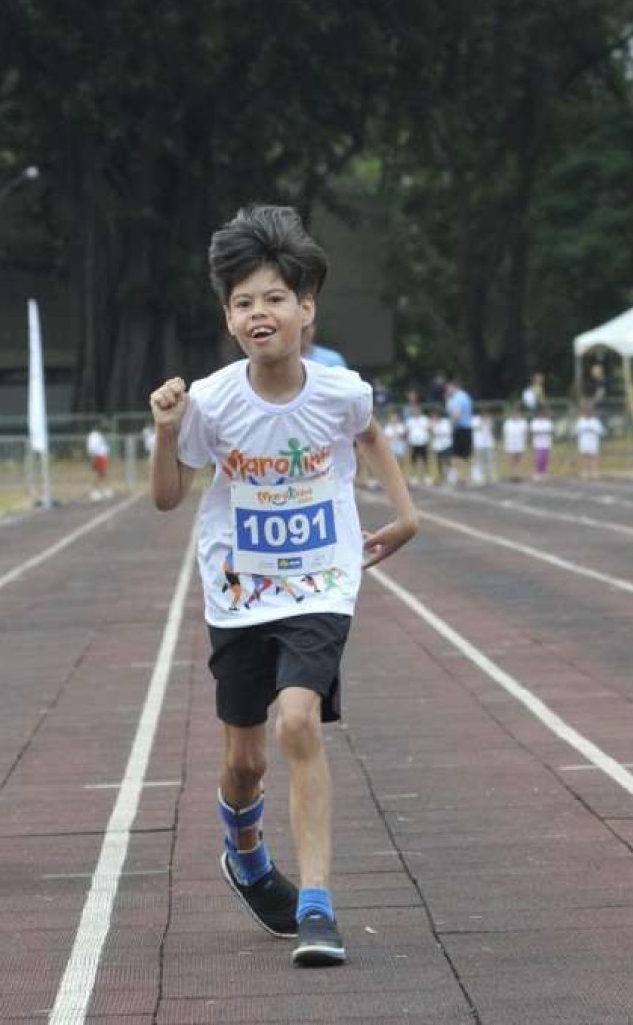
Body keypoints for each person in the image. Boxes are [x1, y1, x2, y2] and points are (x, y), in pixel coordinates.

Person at [149, 205, 418, 967]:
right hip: (239, 589)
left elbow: (368, 433)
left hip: (322, 581)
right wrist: (166, 432)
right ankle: (246, 853)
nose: (257, 312)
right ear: (228, 317)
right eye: (242, 302)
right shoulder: (212, 400)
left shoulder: (338, 389)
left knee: (297, 722)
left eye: (273, 297)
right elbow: (169, 497)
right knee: (245, 761)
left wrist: (406, 514)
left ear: (307, 309)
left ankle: (318, 904)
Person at [443, 378, 474, 485]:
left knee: (459, 454)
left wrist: (453, 427)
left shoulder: (458, 397)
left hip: (461, 427)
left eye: (449, 388)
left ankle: (463, 476)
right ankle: (465, 476)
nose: (447, 390)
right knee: (463, 454)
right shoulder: (462, 396)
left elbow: (457, 414)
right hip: (465, 427)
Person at [573, 399, 605, 480]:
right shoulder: (580, 421)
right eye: (586, 410)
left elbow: (601, 431)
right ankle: (584, 471)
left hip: (593, 441)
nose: (588, 412)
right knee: (584, 456)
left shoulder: (595, 421)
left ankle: (594, 471)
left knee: (594, 456)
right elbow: (576, 431)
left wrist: (593, 430)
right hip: (583, 441)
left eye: (590, 410)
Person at [501, 402, 529, 481]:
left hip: (520, 444)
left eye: (517, 413)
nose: (516, 414)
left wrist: (526, 441)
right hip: (511, 444)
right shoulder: (508, 423)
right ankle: (512, 475)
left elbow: (526, 433)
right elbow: (504, 433)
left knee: (519, 460)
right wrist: (504, 442)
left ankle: (518, 474)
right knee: (511, 460)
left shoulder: (523, 422)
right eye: (514, 413)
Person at [85, 425, 111, 498]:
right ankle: (95, 491)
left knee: (102, 474)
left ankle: (102, 490)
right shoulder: (94, 436)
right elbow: (92, 447)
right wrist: (92, 458)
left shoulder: (98, 436)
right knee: (100, 474)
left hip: (102, 456)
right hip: (99, 456)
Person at [529, 406, 554, 479]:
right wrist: (542, 432)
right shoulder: (534, 422)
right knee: (539, 458)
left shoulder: (548, 422)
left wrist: (543, 432)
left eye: (543, 414)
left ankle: (544, 472)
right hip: (538, 443)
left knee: (545, 458)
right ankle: (537, 472)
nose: (541, 415)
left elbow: (551, 431)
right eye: (540, 414)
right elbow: (533, 431)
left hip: (546, 442)